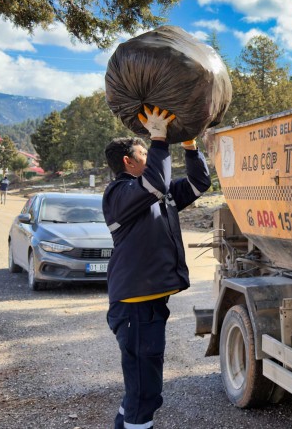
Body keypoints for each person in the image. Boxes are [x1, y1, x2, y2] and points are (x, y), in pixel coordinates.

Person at [102, 105, 211, 429]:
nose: (150, 157)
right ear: (128, 162)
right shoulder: (119, 194)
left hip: (148, 304)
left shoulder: (157, 194)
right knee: (144, 392)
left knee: (140, 387)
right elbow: (156, 183)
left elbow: (199, 182)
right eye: (145, 153)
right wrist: (160, 138)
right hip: (134, 307)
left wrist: (190, 146)